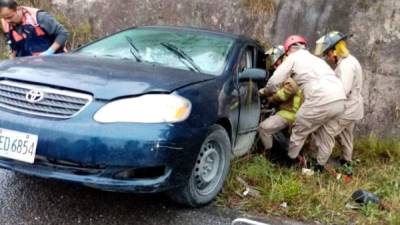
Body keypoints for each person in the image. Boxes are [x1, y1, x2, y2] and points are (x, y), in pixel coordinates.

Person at [265, 35, 346, 171]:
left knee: (299, 128)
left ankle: (289, 164)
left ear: (289, 50)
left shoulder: (294, 57)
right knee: (326, 135)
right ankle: (318, 169)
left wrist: (267, 92)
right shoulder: (317, 60)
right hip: (339, 98)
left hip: (320, 97)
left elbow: (274, 81)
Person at [315, 31, 364, 165]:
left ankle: (319, 165)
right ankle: (346, 161)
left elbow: (342, 90)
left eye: (328, 54)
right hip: (354, 107)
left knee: (326, 131)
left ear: (335, 51)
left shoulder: (346, 66)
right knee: (345, 135)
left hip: (347, 108)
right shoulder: (349, 61)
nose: (328, 58)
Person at [259, 45, 303, 151]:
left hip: (291, 112)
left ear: (282, 58)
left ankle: (267, 155)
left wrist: (269, 97)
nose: (274, 66)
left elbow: (286, 92)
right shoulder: (291, 69)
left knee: (263, 128)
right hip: (292, 110)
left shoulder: (290, 71)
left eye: (276, 63)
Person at [0, 0, 69, 59]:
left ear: (18, 9)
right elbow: (14, 49)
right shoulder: (6, 24)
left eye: (10, 17)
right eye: (4, 18)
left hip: (54, 61)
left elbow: (63, 33)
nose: (7, 21)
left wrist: (50, 51)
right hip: (29, 68)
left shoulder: (39, 17)